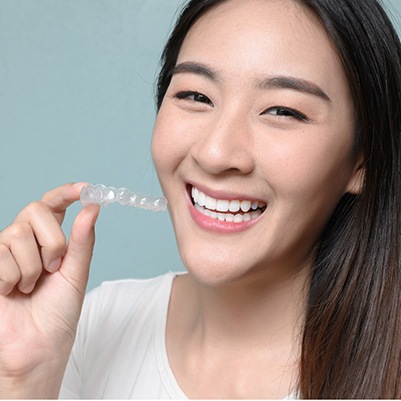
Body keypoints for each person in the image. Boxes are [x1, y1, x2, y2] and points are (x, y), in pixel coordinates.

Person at [1, 0, 401, 398]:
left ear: (362, 161)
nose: (215, 153)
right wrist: (23, 381)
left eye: (282, 111)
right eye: (196, 95)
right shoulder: (95, 323)